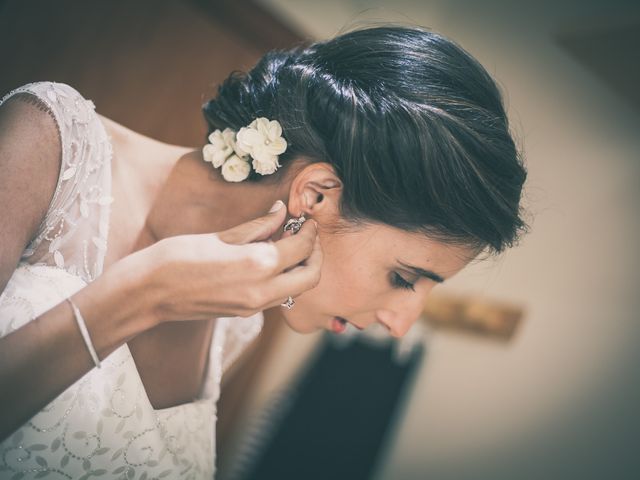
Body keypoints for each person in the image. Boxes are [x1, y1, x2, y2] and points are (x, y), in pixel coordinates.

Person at [0, 25, 528, 478]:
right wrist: (145, 294)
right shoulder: (48, 143)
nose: (401, 324)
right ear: (317, 194)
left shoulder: (239, 322)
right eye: (405, 278)